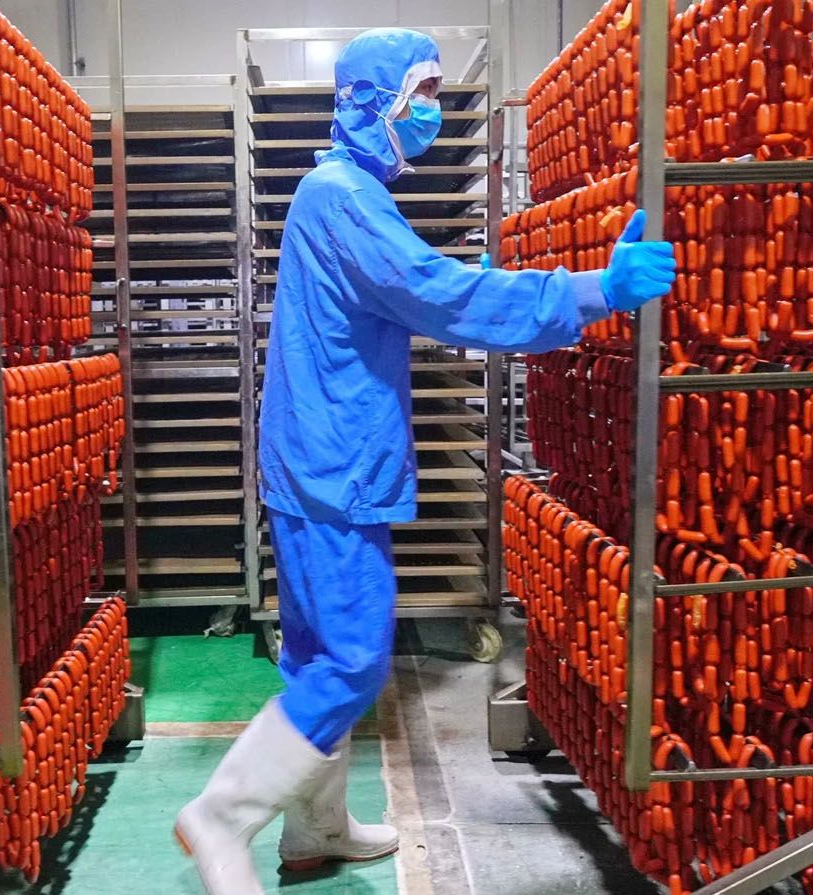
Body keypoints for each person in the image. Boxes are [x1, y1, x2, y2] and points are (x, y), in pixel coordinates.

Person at [174, 28, 677, 895]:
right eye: (423, 94)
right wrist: (591, 290)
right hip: (331, 470)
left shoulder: (347, 194)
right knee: (350, 661)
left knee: (314, 656)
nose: (434, 112)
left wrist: (451, 287)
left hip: (324, 459)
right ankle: (221, 817)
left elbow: (408, 293)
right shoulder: (342, 198)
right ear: (378, 103)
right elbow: (434, 294)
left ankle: (314, 827)